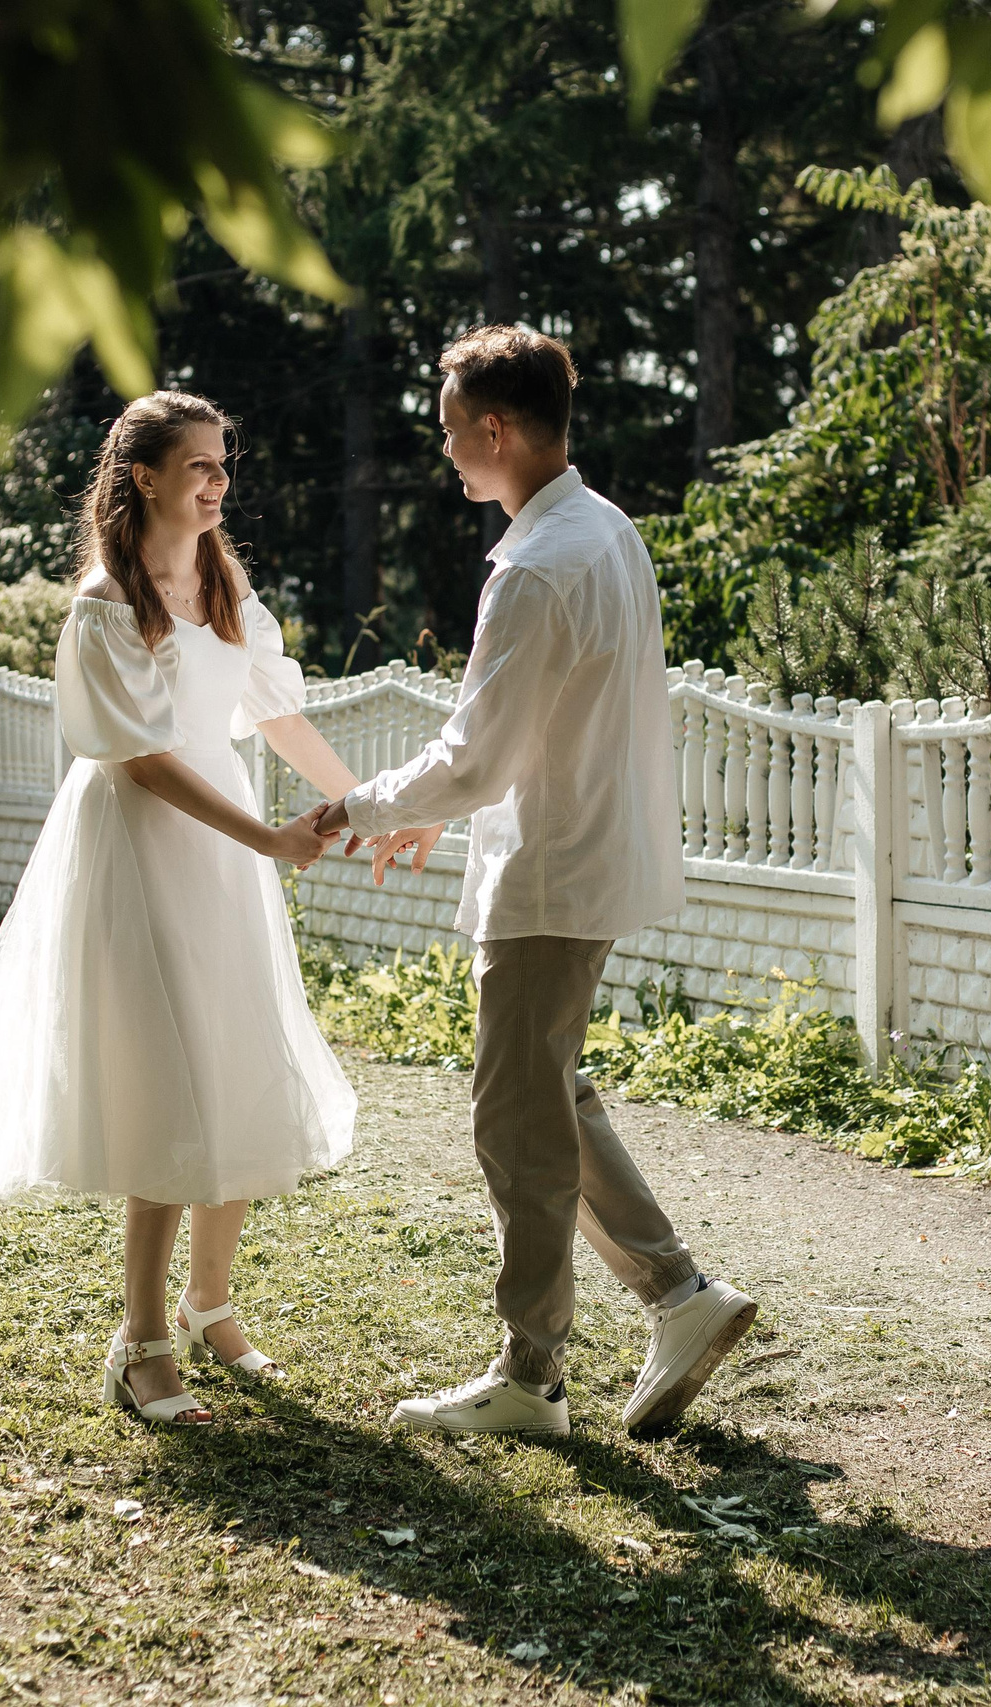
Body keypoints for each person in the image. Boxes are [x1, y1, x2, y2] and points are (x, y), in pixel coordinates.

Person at [314, 325, 755, 1439]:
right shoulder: (601, 530)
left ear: (497, 429)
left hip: (552, 871)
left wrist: (355, 810)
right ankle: (676, 1296)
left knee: (515, 1121)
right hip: (587, 853)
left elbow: (474, 758)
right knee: (546, 1093)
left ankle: (531, 1375)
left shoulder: (536, 567)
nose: (448, 452)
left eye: (455, 432)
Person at [0, 391, 362, 1426]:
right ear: (144, 477)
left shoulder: (220, 583)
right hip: (145, 844)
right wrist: (268, 836)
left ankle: (210, 1302)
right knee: (170, 1086)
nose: (218, 484)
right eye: (200, 467)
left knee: (235, 1055)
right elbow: (139, 759)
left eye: (224, 465)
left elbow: (275, 709)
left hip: (225, 854)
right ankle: (140, 1339)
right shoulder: (104, 603)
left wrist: (359, 807)